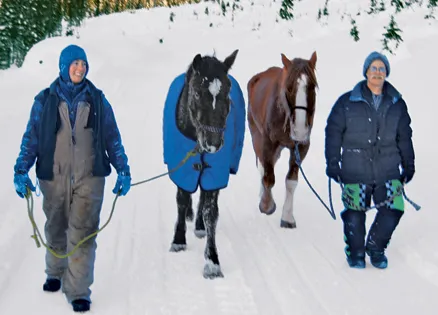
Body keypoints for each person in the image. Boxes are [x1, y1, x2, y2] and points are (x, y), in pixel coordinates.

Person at [13, 44, 131, 312]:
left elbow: (112, 137)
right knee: (56, 227)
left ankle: (78, 291)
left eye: (83, 64)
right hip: (52, 177)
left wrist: (122, 168)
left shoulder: (98, 100)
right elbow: (31, 139)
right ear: (64, 67)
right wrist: (21, 169)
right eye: (74, 63)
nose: (80, 68)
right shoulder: (44, 100)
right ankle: (55, 271)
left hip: (90, 178)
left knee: (83, 233)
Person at [324, 51, 415, 269]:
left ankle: (375, 247)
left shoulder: (397, 104)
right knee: (355, 213)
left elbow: (405, 136)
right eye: (373, 68)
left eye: (381, 69)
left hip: (388, 169)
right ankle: (355, 252)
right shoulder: (346, 102)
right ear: (366, 71)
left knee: (394, 208)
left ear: (386, 74)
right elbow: (333, 132)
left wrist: (409, 164)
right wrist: (333, 163)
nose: (377, 72)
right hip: (356, 168)